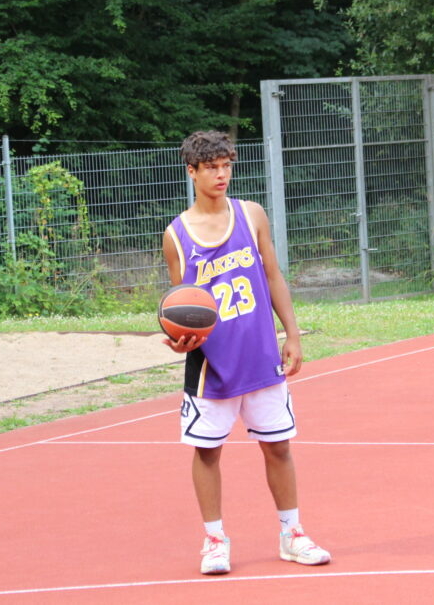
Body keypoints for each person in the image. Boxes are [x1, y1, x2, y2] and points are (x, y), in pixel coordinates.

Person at [162, 130, 331, 575]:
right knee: (207, 453)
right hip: (210, 365)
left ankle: (292, 534)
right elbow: (182, 304)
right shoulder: (176, 235)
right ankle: (215, 540)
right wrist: (181, 338)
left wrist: (292, 334)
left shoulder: (251, 214)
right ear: (192, 171)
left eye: (226, 166)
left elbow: (273, 275)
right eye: (211, 167)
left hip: (259, 354)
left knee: (279, 446)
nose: (221, 175)